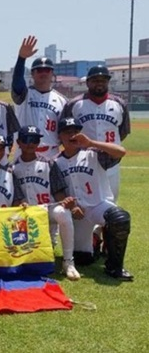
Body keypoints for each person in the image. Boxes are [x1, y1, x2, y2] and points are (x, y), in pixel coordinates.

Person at [55, 118, 133, 281]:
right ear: (59, 137)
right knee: (83, 259)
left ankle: (114, 267)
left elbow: (120, 152)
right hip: (76, 213)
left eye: (76, 131)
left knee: (119, 219)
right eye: (67, 132)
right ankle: (95, 241)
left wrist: (91, 142)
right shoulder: (56, 163)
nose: (72, 135)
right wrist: (71, 206)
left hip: (98, 205)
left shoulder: (94, 154)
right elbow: (58, 190)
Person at [11, 125, 79, 280]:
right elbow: (16, 197)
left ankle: (68, 261)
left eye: (34, 140)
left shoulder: (49, 164)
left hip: (47, 210)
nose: (31, 143)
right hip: (26, 214)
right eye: (26, 139)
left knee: (63, 213)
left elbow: (58, 192)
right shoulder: (13, 168)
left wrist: (67, 202)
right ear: (19, 142)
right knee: (35, 256)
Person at [61, 65, 130, 202]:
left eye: (103, 80)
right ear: (87, 82)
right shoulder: (75, 104)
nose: (99, 83)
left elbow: (122, 132)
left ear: (108, 82)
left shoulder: (119, 104)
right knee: (84, 202)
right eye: (95, 80)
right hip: (83, 163)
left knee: (110, 203)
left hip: (111, 161)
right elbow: (65, 131)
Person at [11, 36, 69, 160]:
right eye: (39, 70)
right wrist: (21, 58)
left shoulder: (62, 101)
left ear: (52, 73)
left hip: (51, 154)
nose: (43, 72)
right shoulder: (24, 95)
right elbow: (17, 82)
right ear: (32, 74)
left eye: (47, 70)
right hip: (23, 153)